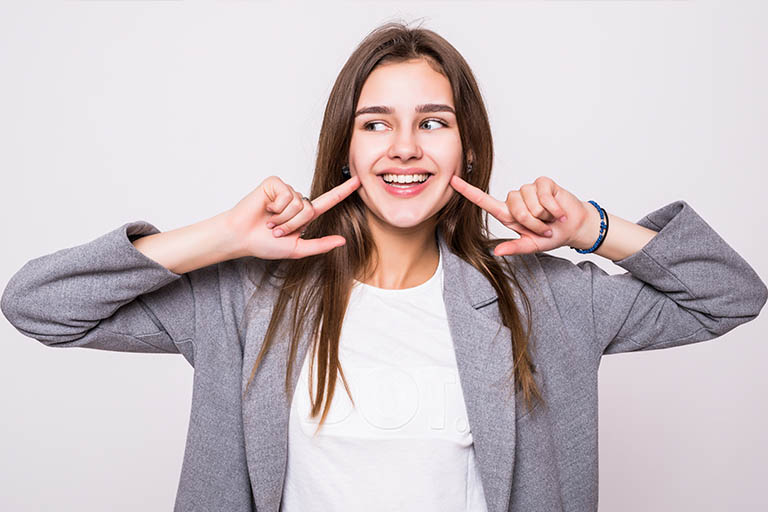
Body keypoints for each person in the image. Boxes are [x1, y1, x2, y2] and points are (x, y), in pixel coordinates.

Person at [2, 20, 766, 512]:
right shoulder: (247, 298)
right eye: (377, 124)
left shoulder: (546, 300)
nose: (405, 147)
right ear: (347, 148)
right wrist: (221, 238)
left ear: (465, 148)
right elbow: (38, 305)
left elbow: (730, 296)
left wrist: (592, 228)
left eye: (432, 123)